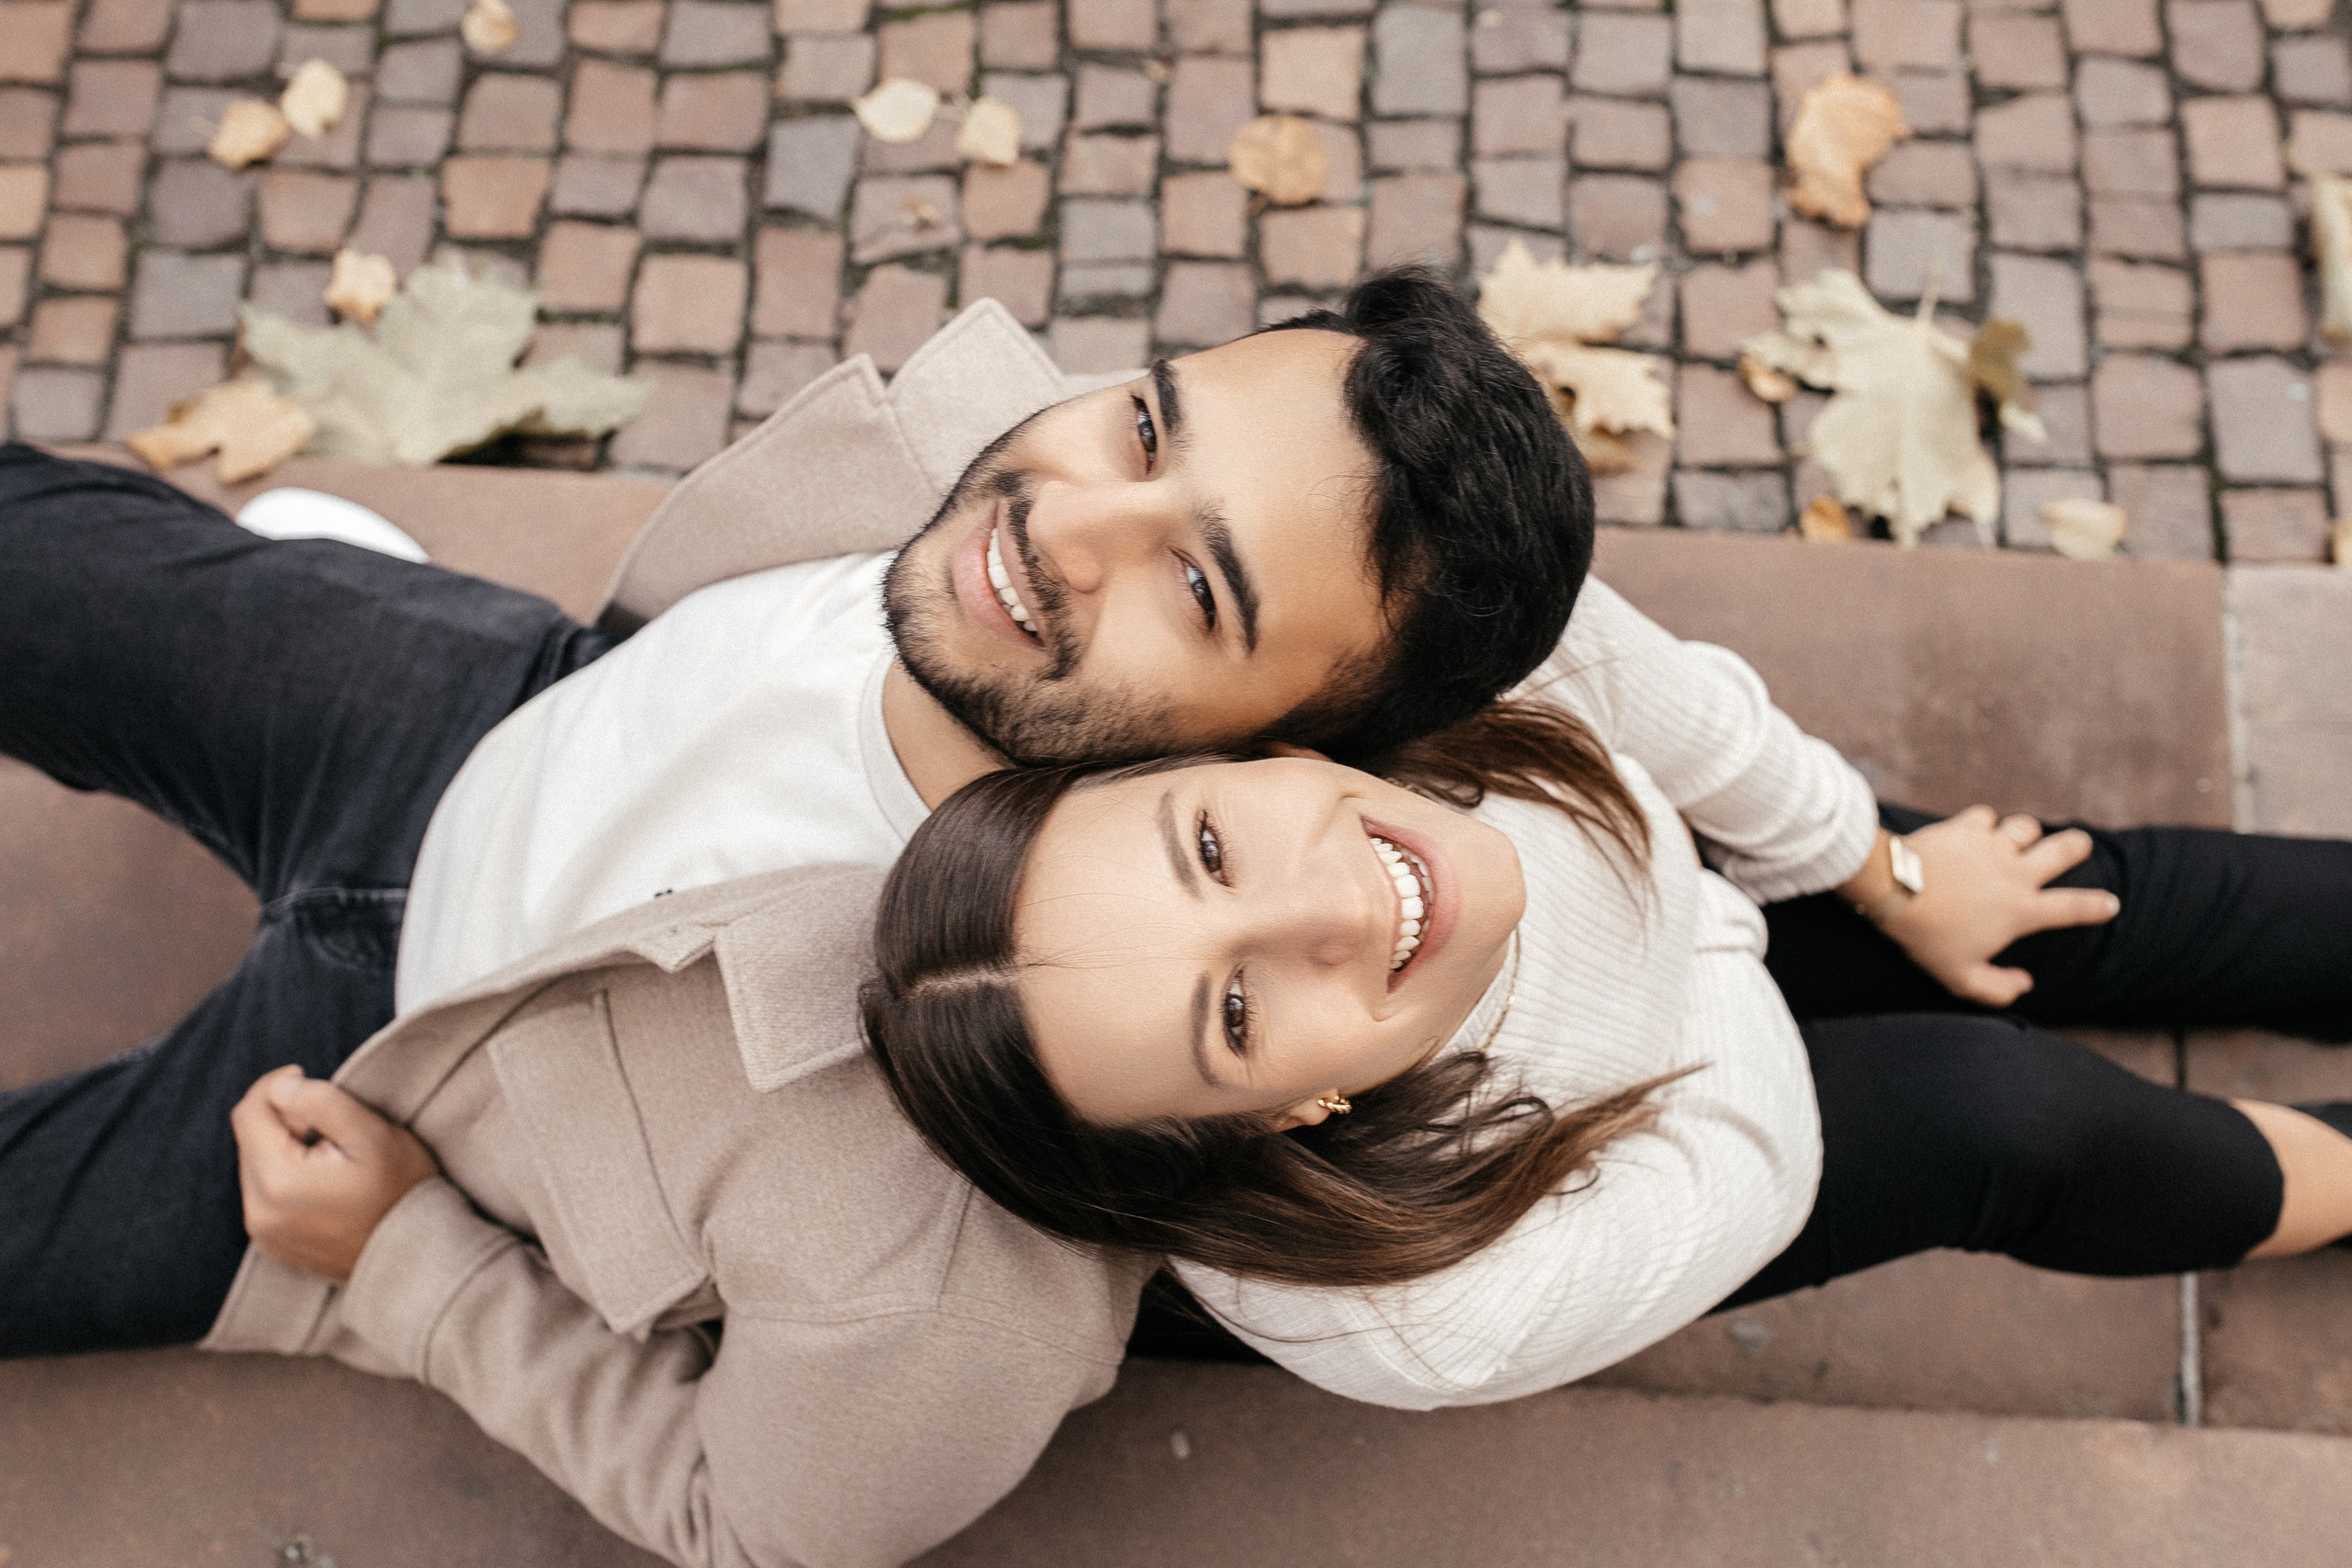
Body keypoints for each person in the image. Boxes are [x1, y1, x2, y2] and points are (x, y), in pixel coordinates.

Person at [862, 689, 2352, 1409]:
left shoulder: (1329, 675)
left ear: (1209, 753)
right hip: (1660, 1129)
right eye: (1236, 1012)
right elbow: (1752, 1161)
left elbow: (1620, 664)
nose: (1324, 903)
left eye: (1208, 842)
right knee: (2002, 1118)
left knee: (2024, 899)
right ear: (1277, 1115)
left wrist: (1885, 875)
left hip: (1641, 884)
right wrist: (1726, 925)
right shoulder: (1419, 1317)